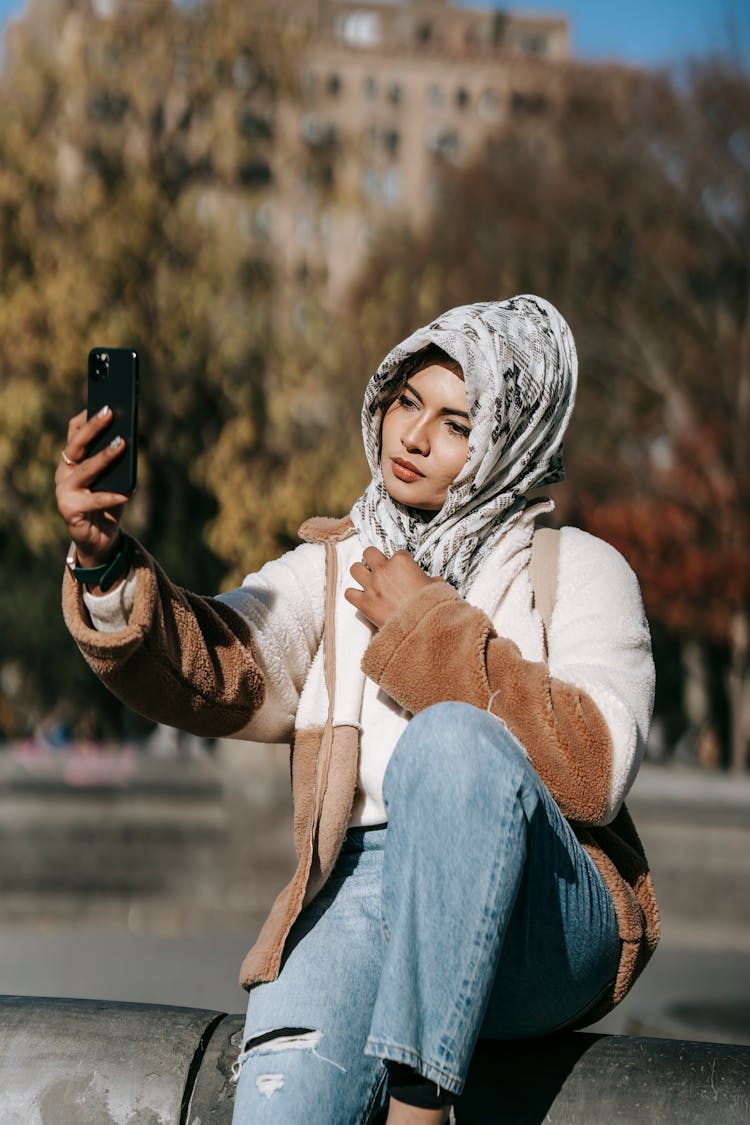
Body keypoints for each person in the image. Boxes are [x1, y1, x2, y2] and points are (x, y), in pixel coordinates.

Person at [56, 296, 658, 1124]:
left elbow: (593, 771)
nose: (411, 436)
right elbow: (223, 659)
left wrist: (427, 626)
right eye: (406, 402)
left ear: (508, 440)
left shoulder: (580, 569)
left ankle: (419, 1107)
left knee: (449, 745)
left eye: (455, 422)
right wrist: (105, 567)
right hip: (361, 889)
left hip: (541, 908)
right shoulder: (340, 560)